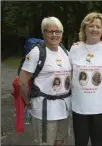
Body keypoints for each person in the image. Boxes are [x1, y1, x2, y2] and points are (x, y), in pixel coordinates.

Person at [18, 16, 71, 145]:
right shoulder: (37, 52)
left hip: (64, 109)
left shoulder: (65, 51)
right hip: (44, 111)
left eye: (57, 31)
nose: (54, 35)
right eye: (50, 31)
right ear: (43, 33)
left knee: (60, 142)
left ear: (62, 33)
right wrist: (28, 103)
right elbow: (22, 82)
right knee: (45, 143)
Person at [69, 12, 102, 146]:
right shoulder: (75, 48)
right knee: (80, 142)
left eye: (98, 26)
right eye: (91, 26)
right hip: (80, 106)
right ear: (84, 28)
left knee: (98, 141)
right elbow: (68, 73)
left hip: (101, 107)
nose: (95, 29)